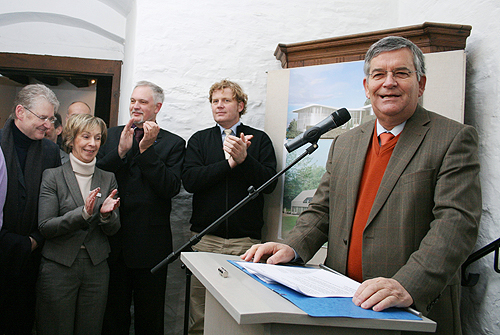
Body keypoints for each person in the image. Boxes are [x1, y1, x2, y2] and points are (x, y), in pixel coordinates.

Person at [242, 36, 481, 335]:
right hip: (338, 304)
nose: (389, 82)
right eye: (379, 74)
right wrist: (292, 246)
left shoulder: (452, 138)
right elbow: (321, 210)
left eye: (401, 73)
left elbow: (456, 224)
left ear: (420, 84)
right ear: (366, 88)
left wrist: (408, 284)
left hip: (404, 310)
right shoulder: (346, 142)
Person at [182, 79, 277, 334]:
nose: (219, 106)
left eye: (226, 100)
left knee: (241, 313)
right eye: (215, 101)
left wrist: (245, 159)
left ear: (241, 105)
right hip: (205, 240)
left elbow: (269, 184)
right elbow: (190, 181)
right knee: (199, 314)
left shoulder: (259, 140)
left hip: (246, 243)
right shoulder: (200, 140)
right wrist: (229, 165)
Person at [98, 80, 185, 335]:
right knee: (113, 317)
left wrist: (146, 150)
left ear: (157, 107)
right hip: (113, 242)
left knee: (150, 317)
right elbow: (98, 175)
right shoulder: (111, 135)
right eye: (133, 101)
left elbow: (170, 188)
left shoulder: (173, 143)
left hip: (151, 246)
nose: (135, 106)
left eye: (142, 102)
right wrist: (121, 152)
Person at [36, 114, 120, 334]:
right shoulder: (52, 176)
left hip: (97, 267)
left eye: (98, 138)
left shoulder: (108, 177)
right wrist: (83, 213)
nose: (92, 144)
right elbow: (46, 226)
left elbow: (113, 229)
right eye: (86, 137)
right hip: (59, 267)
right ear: (71, 139)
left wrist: (104, 216)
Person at [0, 84, 62, 334]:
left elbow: (56, 200)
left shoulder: (50, 150)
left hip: (31, 253)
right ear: (20, 112)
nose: (48, 125)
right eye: (43, 118)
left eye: (51, 119)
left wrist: (35, 240)